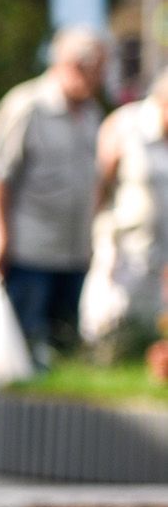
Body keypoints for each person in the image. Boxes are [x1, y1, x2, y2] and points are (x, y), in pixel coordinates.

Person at [0, 27, 105, 366]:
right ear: (73, 64)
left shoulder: (91, 113)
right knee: (22, 352)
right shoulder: (27, 105)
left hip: (75, 254)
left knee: (63, 352)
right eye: (95, 68)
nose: (100, 77)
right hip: (30, 254)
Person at [85, 68, 168, 353]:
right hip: (123, 243)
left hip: (161, 248)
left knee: (151, 318)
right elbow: (98, 184)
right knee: (111, 312)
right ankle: (102, 357)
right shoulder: (124, 125)